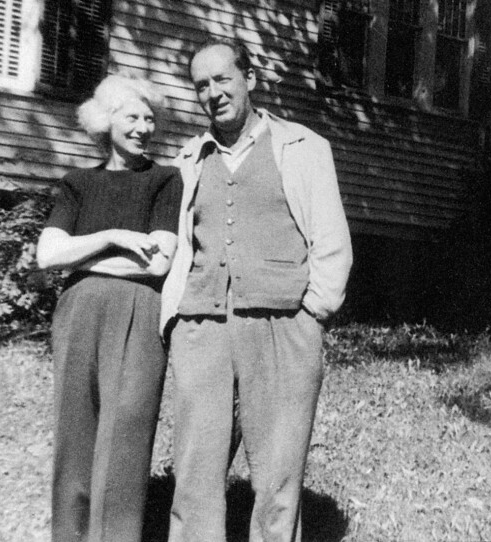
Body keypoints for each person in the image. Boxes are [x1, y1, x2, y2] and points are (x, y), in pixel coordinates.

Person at [160, 38, 353, 542]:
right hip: (202, 326)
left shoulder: (304, 148)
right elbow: (177, 245)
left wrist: (312, 311)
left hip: (284, 327)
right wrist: (176, 321)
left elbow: (332, 241)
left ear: (250, 78)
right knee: (195, 471)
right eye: (201, 85)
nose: (213, 93)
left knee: (277, 474)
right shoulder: (186, 159)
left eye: (223, 79)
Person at [36, 74, 182, 542]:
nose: (143, 127)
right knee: (75, 431)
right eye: (132, 116)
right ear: (106, 120)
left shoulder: (165, 180)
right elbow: (47, 255)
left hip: (139, 314)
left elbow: (157, 262)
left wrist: (83, 252)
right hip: (78, 313)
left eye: (150, 118)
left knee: (126, 435)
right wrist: (114, 237)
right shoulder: (78, 183)